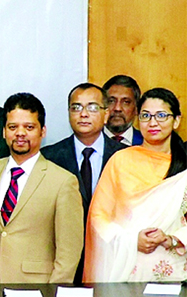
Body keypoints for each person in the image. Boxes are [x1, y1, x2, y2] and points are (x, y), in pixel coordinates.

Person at [85, 87, 187, 282]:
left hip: (176, 272)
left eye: (161, 115)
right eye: (146, 116)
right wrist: (131, 240)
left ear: (176, 120)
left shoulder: (183, 167)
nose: (153, 122)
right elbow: (99, 217)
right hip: (127, 271)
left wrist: (170, 239)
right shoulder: (121, 160)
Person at [0, 93, 83, 284]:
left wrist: (53, 296)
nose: (20, 133)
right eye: (13, 127)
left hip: (38, 291)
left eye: (29, 127)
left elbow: (69, 252)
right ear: (4, 131)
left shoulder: (63, 182)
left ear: (42, 131)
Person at [41, 83, 126, 283]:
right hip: (62, 263)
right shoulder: (49, 157)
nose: (84, 114)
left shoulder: (125, 156)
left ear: (106, 115)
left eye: (93, 107)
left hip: (113, 259)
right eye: (76, 107)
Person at [103, 75, 143, 146]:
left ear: (136, 109)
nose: (117, 108)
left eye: (126, 102)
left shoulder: (146, 143)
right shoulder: (91, 141)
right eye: (111, 101)